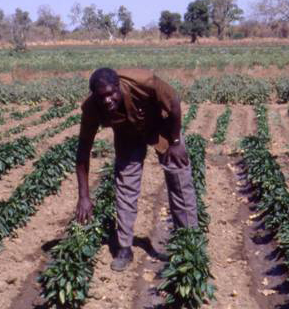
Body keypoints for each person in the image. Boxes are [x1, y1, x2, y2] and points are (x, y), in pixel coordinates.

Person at [75, 68, 198, 272]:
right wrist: (84, 196)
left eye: (110, 93)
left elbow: (174, 103)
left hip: (161, 126)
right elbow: (83, 150)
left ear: (118, 86)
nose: (106, 100)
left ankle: (189, 242)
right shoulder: (91, 108)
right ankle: (124, 247)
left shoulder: (145, 82)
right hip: (127, 133)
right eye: (101, 96)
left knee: (179, 177)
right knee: (125, 185)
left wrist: (175, 142)